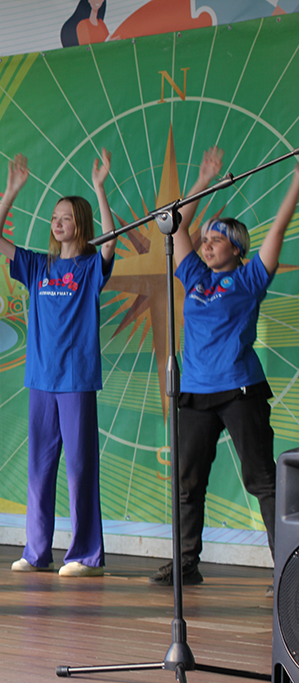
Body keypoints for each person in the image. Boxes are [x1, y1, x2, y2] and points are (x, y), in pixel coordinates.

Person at [149, 149, 299, 587]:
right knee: (187, 482)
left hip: (239, 389)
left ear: (237, 248)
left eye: (216, 239)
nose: (207, 243)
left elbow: (279, 228)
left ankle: (287, 572)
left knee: (262, 480)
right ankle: (186, 564)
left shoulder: (250, 278)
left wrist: (296, 183)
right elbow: (176, 227)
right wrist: (203, 180)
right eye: (207, 239)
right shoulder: (196, 277)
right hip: (195, 392)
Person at [0, 151, 116, 577]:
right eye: (54, 217)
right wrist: (11, 191)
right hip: (41, 379)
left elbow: (110, 243)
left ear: (81, 223)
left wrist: (99, 188)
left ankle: (86, 555)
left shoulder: (91, 266)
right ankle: (37, 551)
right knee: (39, 469)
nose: (57, 223)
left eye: (66, 218)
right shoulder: (38, 265)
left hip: (76, 380)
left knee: (79, 469)